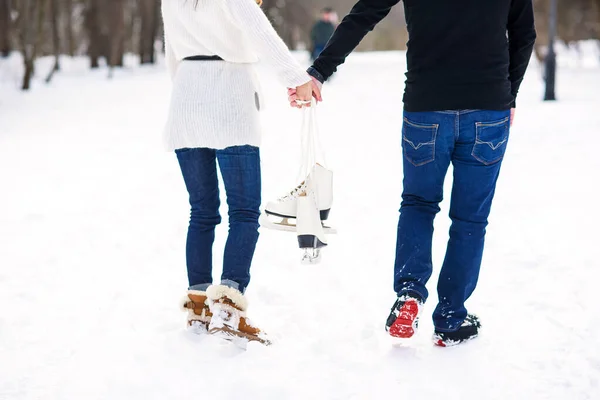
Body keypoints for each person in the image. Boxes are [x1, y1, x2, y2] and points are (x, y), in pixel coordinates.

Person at [289, 0, 536, 346]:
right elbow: (524, 33)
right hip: (487, 109)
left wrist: (319, 71)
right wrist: (508, 94)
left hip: (426, 108)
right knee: (470, 219)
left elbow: (364, 15)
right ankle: (451, 317)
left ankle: (409, 294)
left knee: (419, 203)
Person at [161, 0, 320, 344]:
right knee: (244, 212)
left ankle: (200, 305)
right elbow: (264, 36)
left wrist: (191, 91)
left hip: (186, 104)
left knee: (201, 212)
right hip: (229, 102)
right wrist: (298, 79)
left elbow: (170, 53)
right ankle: (228, 308)